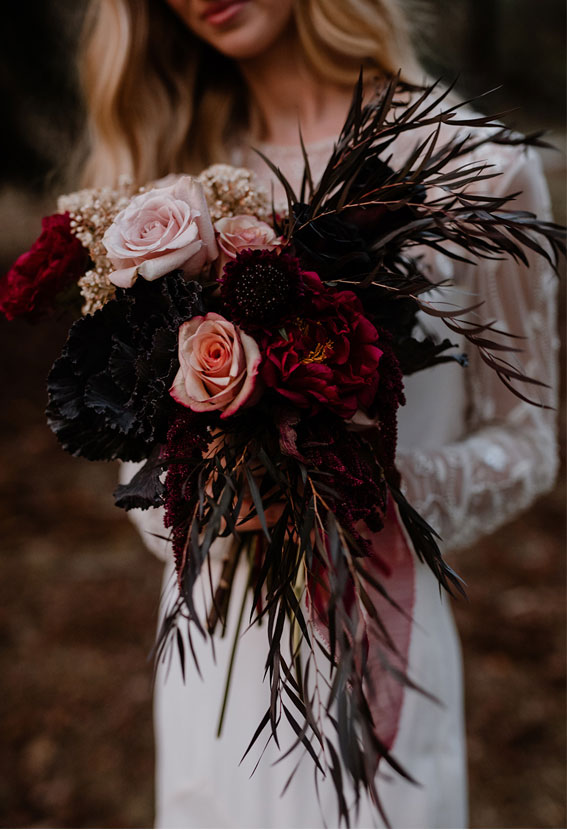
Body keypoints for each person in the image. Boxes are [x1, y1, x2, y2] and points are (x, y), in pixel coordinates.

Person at [78, 0, 559, 827]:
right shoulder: (169, 193)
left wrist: (365, 489)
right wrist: (206, 494)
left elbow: (529, 440)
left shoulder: (474, 164)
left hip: (378, 630)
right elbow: (136, 464)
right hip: (210, 658)